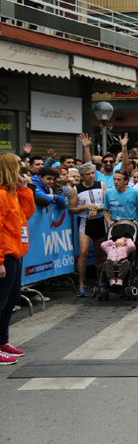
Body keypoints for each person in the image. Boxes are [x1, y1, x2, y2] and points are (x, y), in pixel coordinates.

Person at [0, 153, 35, 366]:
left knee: (11, 299)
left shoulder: (11, 193)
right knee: (2, 301)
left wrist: (24, 190)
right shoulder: (1, 195)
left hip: (15, 253)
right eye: (18, 165)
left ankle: (3, 341)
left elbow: (26, 215)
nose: (22, 168)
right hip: (6, 255)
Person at [68, 163, 107, 297]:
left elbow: (107, 204)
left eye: (92, 173)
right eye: (88, 174)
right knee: (83, 252)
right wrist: (85, 207)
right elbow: (71, 209)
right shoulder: (76, 189)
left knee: (99, 253)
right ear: (82, 176)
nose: (91, 176)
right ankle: (81, 284)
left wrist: (97, 208)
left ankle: (99, 281)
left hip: (99, 221)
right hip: (85, 222)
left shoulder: (101, 185)